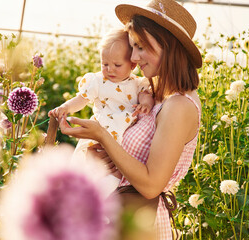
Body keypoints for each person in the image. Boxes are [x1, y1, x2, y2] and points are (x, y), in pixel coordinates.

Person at [58, 0, 202, 239]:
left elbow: (150, 185)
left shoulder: (179, 106)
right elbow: (128, 156)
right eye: (133, 47)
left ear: (168, 46)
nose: (134, 57)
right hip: (117, 213)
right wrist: (97, 156)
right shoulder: (154, 93)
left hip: (138, 222)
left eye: (141, 47)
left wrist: (102, 135)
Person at [49, 28, 155, 192]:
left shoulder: (137, 83)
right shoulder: (97, 81)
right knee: (86, 168)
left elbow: (145, 96)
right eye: (104, 64)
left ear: (133, 64)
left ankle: (99, 204)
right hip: (99, 133)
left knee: (114, 174)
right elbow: (81, 100)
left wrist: (145, 104)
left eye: (117, 65)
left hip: (122, 139)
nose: (110, 69)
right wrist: (65, 108)